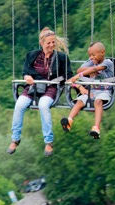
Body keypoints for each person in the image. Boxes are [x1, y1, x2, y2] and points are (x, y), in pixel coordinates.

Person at [8, 27, 72, 157]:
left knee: (43, 106)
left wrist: (61, 81)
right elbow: (26, 71)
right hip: (34, 87)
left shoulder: (61, 58)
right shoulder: (32, 55)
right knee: (19, 105)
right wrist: (27, 78)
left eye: (53, 42)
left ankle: (48, 142)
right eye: (48, 43)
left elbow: (68, 74)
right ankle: (15, 138)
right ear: (42, 43)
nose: (51, 45)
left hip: (51, 88)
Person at [60, 41, 115, 139]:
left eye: (93, 55)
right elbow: (79, 70)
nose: (91, 57)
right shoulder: (91, 62)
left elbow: (95, 69)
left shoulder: (108, 62)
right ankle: (69, 120)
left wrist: (80, 75)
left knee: (98, 102)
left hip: (104, 90)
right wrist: (85, 71)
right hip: (91, 90)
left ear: (102, 52)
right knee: (80, 101)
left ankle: (96, 128)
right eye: (90, 55)